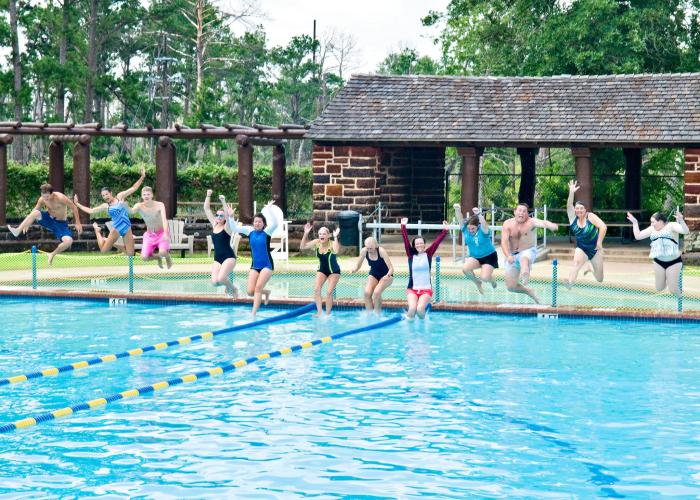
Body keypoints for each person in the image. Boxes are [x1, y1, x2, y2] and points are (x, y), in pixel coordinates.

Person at [73, 166, 145, 256]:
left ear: (111, 193)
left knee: (130, 254)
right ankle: (97, 231)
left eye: (106, 194)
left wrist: (142, 177)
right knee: (103, 250)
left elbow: (133, 188)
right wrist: (77, 204)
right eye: (103, 196)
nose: (105, 196)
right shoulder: (105, 206)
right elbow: (91, 211)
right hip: (116, 229)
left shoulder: (120, 196)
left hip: (127, 227)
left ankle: (130, 270)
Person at [8, 183, 83, 265]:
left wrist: (78, 223)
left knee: (68, 241)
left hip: (60, 224)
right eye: (43, 196)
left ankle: (52, 254)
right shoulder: (42, 199)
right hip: (48, 219)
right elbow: (34, 211)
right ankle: (18, 230)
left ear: (52, 194)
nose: (45, 199)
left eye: (47, 197)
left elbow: (74, 207)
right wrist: (28, 223)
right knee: (36, 212)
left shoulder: (60, 197)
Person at [501, 202, 559, 304]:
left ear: (527, 214)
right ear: (515, 212)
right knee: (511, 287)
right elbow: (504, 242)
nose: (521, 213)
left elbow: (543, 222)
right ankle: (529, 292)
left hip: (528, 251)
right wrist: (508, 256)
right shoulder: (507, 224)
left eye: (524, 211)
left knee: (524, 258)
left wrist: (551, 225)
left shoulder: (531, 222)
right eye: (519, 210)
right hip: (512, 256)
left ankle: (525, 273)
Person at [229, 200, 280, 315]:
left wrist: (270, 209)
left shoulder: (267, 232)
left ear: (263, 223)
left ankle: (253, 314)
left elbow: (276, 223)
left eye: (260, 222)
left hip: (267, 265)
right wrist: (231, 217)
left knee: (258, 288)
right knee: (250, 291)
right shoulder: (249, 231)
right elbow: (234, 228)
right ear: (253, 223)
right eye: (255, 222)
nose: (257, 223)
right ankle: (266, 293)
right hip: (255, 266)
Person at [627, 210, 688, 297]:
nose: (651, 224)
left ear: (660, 221)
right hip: (659, 262)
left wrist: (681, 220)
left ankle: (680, 297)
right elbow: (638, 236)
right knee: (659, 288)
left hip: (673, 262)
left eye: (653, 222)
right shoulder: (652, 229)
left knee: (673, 290)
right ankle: (669, 278)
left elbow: (685, 231)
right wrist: (635, 223)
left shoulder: (671, 225)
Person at [401, 217, 449, 319]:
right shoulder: (410, 255)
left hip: (426, 289)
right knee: (412, 309)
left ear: (424, 244)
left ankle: (423, 327)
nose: (419, 245)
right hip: (412, 289)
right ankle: (409, 329)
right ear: (414, 246)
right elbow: (405, 241)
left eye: (421, 243)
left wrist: (445, 230)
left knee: (419, 309)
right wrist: (403, 226)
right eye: (417, 243)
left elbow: (436, 242)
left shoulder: (428, 254)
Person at [565, 180, 607, 288]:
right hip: (581, 248)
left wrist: (599, 242)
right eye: (577, 208)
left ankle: (590, 269)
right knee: (576, 264)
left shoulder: (590, 216)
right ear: (574, 210)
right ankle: (569, 283)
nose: (579, 210)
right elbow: (569, 204)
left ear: (585, 210)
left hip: (595, 249)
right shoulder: (572, 219)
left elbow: (603, 227)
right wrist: (571, 192)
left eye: (581, 208)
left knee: (600, 279)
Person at [454, 204, 498, 294]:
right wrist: (457, 210)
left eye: (473, 228)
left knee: (485, 278)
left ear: (477, 226)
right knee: (465, 269)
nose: (470, 230)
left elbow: (484, 224)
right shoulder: (465, 230)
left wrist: (479, 214)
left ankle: (492, 280)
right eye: (469, 228)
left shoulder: (483, 231)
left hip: (489, 257)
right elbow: (460, 219)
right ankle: (477, 283)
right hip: (475, 257)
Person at [300, 223, 341, 316]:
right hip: (322, 270)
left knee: (329, 292)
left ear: (328, 235)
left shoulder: (332, 243)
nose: (321, 236)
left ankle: (327, 314)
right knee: (316, 290)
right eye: (320, 234)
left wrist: (335, 237)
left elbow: (336, 250)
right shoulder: (317, 242)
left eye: (324, 234)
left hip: (334, 271)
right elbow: (302, 247)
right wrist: (305, 234)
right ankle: (319, 312)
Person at [203, 190, 237, 297]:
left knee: (221, 278)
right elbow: (207, 209)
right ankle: (228, 287)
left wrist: (223, 201)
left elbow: (228, 216)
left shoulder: (227, 227)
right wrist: (208, 195)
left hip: (229, 257)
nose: (218, 217)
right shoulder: (215, 225)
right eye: (217, 214)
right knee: (215, 282)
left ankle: (233, 289)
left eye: (221, 216)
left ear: (224, 218)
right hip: (217, 258)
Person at [129, 186, 172, 269]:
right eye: (144, 194)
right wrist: (124, 206)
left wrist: (166, 233)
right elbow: (131, 211)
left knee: (163, 252)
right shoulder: (139, 206)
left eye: (148, 194)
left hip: (161, 233)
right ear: (142, 196)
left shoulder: (160, 205)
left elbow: (164, 220)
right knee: (144, 258)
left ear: (152, 195)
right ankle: (157, 258)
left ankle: (167, 257)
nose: (146, 196)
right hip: (150, 235)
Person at [350, 236, 394, 314]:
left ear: (376, 246)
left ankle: (377, 314)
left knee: (377, 292)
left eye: (371, 248)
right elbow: (358, 265)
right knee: (367, 293)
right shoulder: (364, 251)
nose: (369, 250)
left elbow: (391, 269)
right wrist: (354, 269)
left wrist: (387, 276)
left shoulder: (381, 251)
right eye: (367, 248)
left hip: (386, 275)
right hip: (374, 274)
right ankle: (369, 314)